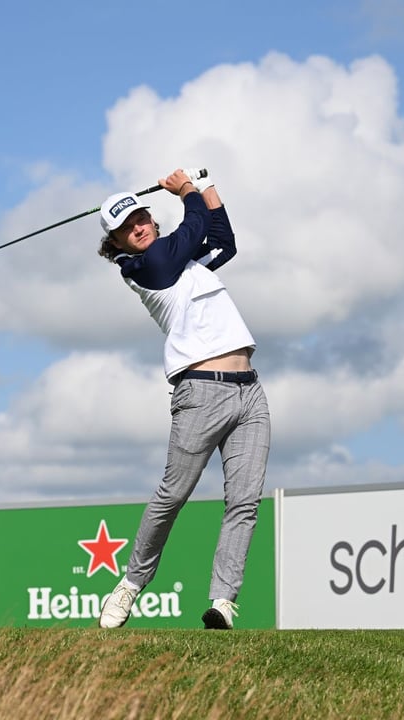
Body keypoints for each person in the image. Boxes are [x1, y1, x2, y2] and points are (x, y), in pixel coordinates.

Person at [95, 168, 270, 631]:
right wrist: (188, 191)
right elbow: (193, 229)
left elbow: (221, 241)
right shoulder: (146, 269)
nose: (139, 226)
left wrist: (207, 181)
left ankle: (222, 602)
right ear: (117, 245)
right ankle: (130, 585)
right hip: (201, 393)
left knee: (245, 502)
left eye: (140, 216)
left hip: (249, 391)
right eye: (126, 228)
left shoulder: (185, 265)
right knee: (174, 495)